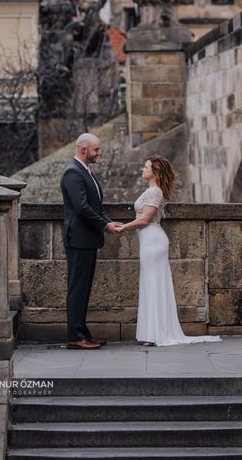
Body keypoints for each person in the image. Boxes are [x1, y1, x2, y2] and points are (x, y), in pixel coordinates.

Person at [119, 156, 221, 347]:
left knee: (154, 284)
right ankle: (153, 333)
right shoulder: (153, 191)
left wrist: (122, 228)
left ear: (155, 172)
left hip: (153, 241)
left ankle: (155, 334)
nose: (143, 169)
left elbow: (145, 219)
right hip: (149, 240)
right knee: (151, 284)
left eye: (146, 167)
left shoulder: (155, 192)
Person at [60, 133, 122, 349]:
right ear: (83, 149)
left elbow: (94, 207)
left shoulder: (84, 172)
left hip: (86, 238)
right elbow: (82, 208)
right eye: (96, 150)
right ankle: (75, 337)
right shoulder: (72, 172)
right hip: (78, 239)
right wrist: (104, 225)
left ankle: (83, 333)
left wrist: (108, 221)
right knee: (77, 289)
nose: (99, 154)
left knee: (83, 289)